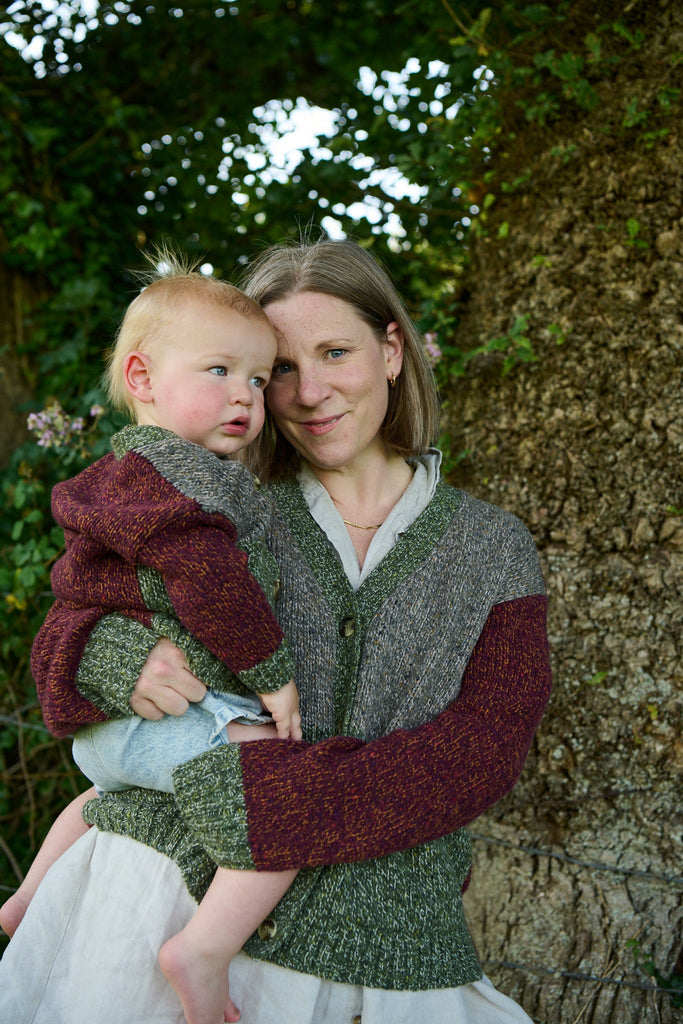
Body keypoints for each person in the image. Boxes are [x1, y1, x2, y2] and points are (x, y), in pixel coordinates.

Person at [0, 236, 552, 1024]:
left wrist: (286, 801)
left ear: (391, 350)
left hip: (389, 936)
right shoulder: (219, 509)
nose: (310, 392)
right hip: (159, 899)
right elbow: (62, 632)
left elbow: (488, 746)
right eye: (282, 370)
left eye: (335, 352)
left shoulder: (492, 549)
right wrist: (112, 657)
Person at [3, 258, 304, 1024]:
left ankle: (27, 897)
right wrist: (270, 673)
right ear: (142, 376)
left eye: (260, 378)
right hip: (158, 721)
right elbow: (209, 579)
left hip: (114, 743)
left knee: (101, 797)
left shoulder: (135, 472)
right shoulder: (177, 476)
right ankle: (201, 951)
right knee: (292, 789)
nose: (245, 393)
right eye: (220, 370)